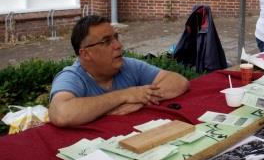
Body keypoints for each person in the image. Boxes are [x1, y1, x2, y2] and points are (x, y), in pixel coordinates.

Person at [48, 15, 189, 127]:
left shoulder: (128, 66)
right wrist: (125, 95)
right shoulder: (71, 77)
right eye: (106, 41)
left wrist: (140, 100)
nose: (118, 45)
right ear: (85, 54)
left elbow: (178, 82)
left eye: (116, 37)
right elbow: (62, 113)